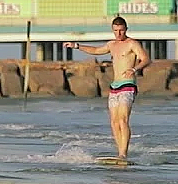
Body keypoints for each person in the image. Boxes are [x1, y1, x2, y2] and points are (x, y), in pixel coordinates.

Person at [63, 16, 150, 160]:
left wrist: (134, 69)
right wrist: (76, 45)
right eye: (116, 31)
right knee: (114, 122)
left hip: (128, 85)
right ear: (113, 30)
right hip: (115, 86)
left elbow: (146, 59)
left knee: (123, 120)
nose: (119, 33)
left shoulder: (132, 44)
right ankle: (119, 153)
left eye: (121, 30)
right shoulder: (111, 45)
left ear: (126, 29)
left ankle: (123, 154)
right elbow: (96, 50)